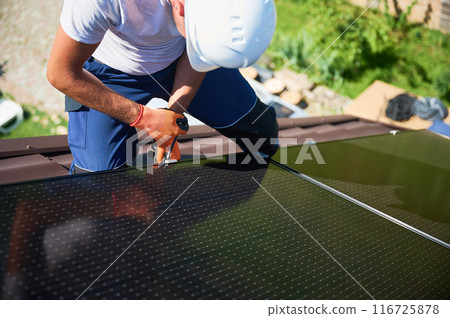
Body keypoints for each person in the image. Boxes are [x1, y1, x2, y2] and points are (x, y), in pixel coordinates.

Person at [47, 0, 279, 174]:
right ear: (180, 7)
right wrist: (145, 118)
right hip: (111, 76)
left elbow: (198, 54)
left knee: (260, 129)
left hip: (183, 58)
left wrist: (173, 113)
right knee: (97, 180)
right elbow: (61, 74)